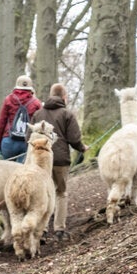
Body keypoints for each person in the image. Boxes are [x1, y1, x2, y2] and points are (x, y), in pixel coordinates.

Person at [31, 83, 88, 240]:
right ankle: (59, 229)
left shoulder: (37, 114)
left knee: (43, 193)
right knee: (61, 192)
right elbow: (74, 138)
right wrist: (82, 148)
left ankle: (41, 231)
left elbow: (28, 137)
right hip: (60, 160)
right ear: (64, 97)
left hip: (40, 160)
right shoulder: (67, 114)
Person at [0, 74, 43, 163]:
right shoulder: (36, 103)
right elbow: (40, 125)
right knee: (20, 172)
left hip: (8, 140)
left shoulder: (8, 100)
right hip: (26, 142)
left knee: (7, 171)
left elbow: (1, 123)